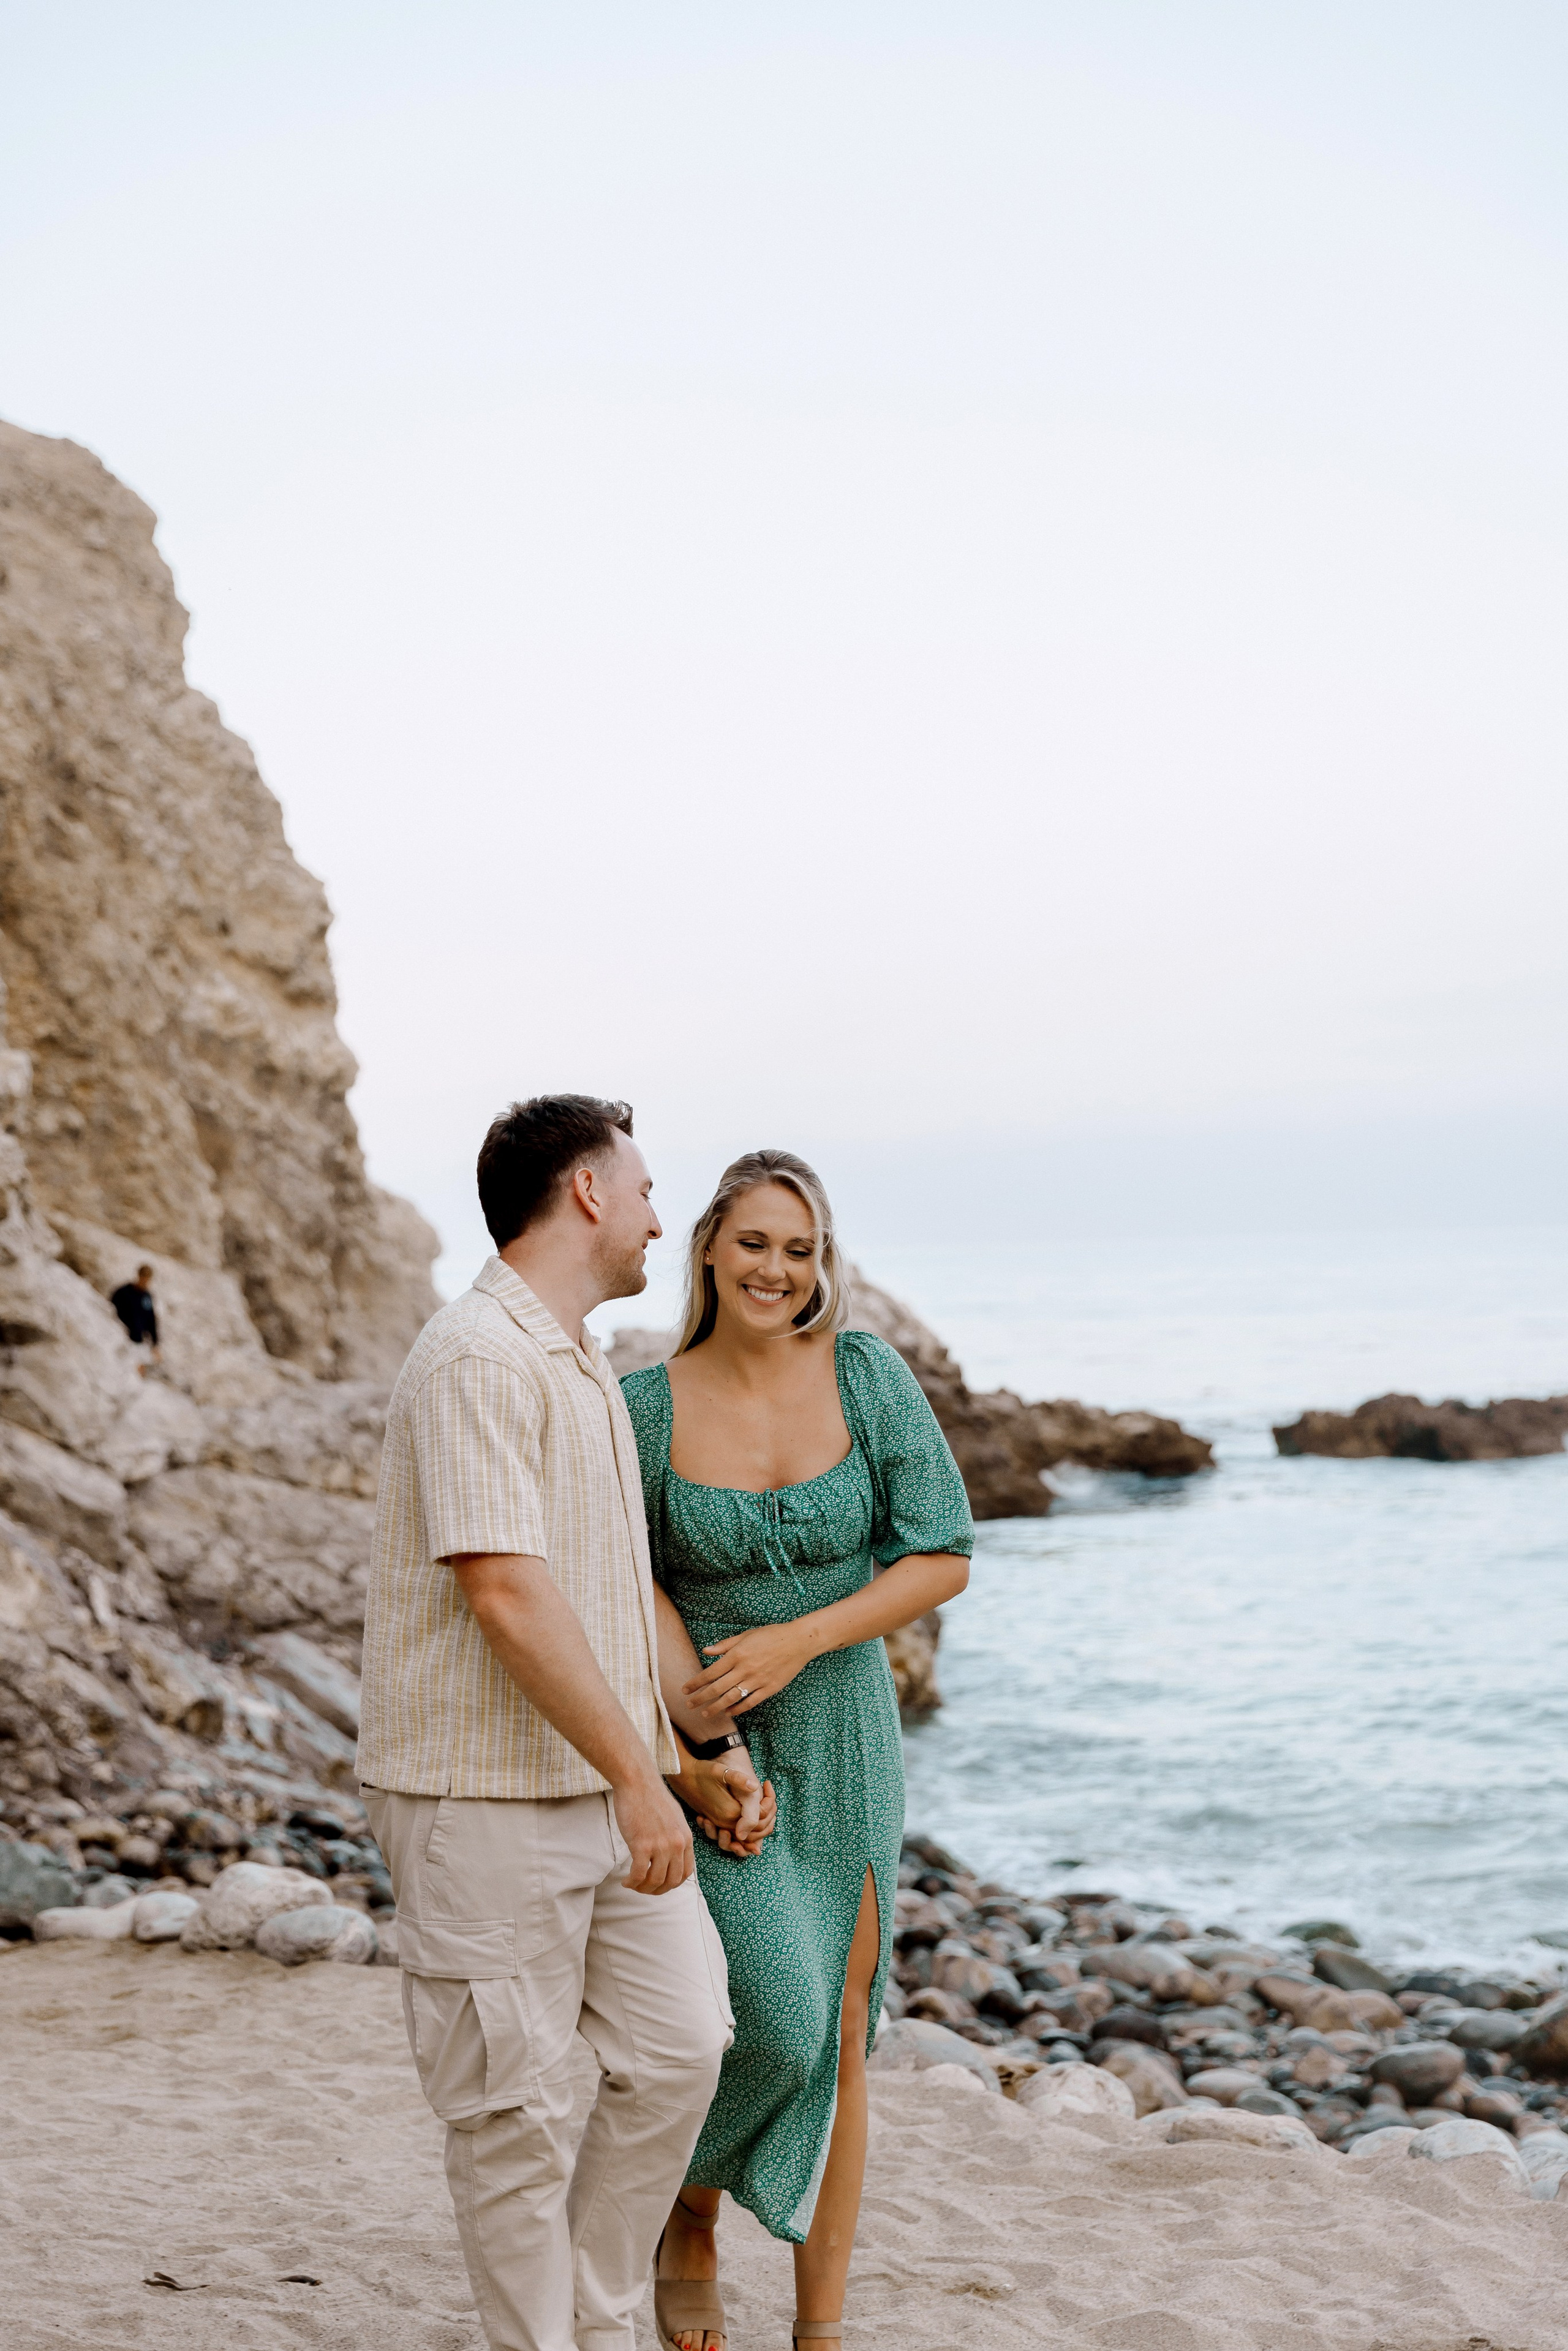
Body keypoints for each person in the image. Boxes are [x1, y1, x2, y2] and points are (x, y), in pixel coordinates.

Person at [356, 1095, 774, 2351]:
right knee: (514, 2117)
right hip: (477, 1802)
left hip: (598, 1789)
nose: (661, 1215)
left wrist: (675, 1764)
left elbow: (595, 1589)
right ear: (587, 1192)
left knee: (682, 2043)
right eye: (645, 1188)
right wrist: (635, 1778)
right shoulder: (476, 1355)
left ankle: (596, 2322)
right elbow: (504, 1590)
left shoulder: (576, 1357)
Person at [621, 1149, 973, 2351]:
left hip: (845, 1722)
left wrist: (798, 1637)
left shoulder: (864, 1374)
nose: (777, 1267)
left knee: (842, 2024)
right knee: (768, 2008)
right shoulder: (644, 1406)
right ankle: (688, 2208)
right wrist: (700, 1739)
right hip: (709, 1729)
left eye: (800, 1247)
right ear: (709, 1244)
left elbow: (941, 1551)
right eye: (757, 1240)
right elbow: (632, 1582)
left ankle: (819, 2325)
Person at [110, 1263, 160, 1369]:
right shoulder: (124, 1293)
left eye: (148, 1279)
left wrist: (155, 1343)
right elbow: (110, 1309)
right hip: (123, 1338)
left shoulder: (147, 1297)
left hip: (139, 1341)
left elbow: (151, 1320)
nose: (145, 1281)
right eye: (143, 1278)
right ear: (139, 1276)